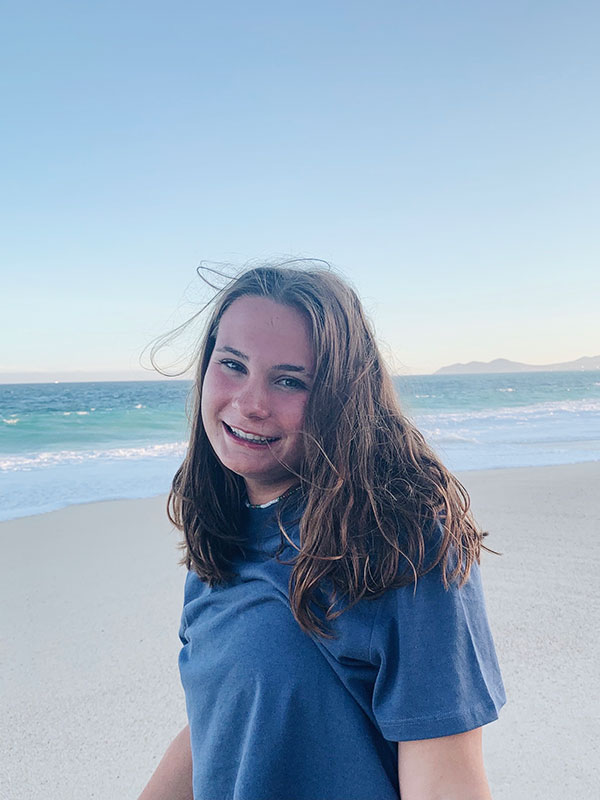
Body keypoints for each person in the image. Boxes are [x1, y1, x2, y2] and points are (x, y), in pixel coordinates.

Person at [139, 262, 505, 800]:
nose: (250, 402)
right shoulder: (226, 529)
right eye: (233, 365)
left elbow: (448, 780)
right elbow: (225, 718)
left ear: (342, 395)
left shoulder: (403, 542)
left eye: (290, 380)